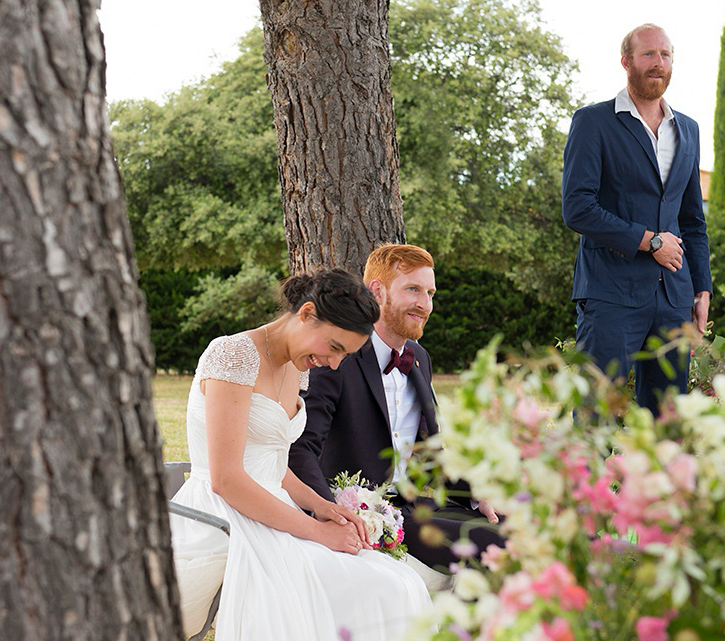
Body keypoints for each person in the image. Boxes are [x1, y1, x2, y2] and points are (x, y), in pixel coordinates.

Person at [170, 269, 431, 641]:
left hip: (273, 508)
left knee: (401, 581)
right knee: (365, 586)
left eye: (347, 355)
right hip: (224, 513)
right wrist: (315, 531)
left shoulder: (297, 368)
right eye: (336, 347)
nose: (335, 363)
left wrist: (324, 507)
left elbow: (272, 465)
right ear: (307, 313)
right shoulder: (233, 354)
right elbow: (227, 479)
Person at [290, 244, 504, 572]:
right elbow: (302, 449)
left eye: (430, 293)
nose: (425, 304)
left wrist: (477, 493)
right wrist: (331, 514)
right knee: (499, 544)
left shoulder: (418, 358)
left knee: (523, 525)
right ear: (378, 292)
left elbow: (430, 456)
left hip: (419, 505)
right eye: (413, 290)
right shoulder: (336, 356)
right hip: (369, 513)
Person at [561, 23, 712, 416]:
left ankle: (656, 482)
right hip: (611, 294)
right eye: (648, 54)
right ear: (626, 62)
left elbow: (693, 220)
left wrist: (701, 289)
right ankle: (589, 480)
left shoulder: (689, 130)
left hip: (674, 299)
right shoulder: (594, 122)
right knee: (595, 416)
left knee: (667, 421)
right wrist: (651, 241)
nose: (657, 63)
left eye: (665, 54)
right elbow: (578, 207)